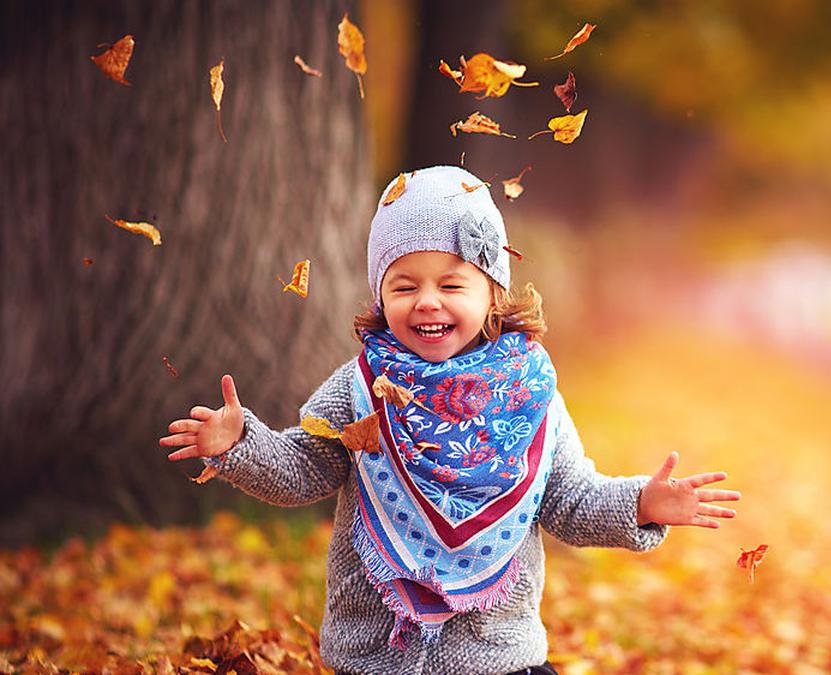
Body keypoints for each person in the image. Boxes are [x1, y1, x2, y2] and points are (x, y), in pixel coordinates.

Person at [161, 165, 740, 675]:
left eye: (452, 284)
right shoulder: (361, 388)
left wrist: (640, 504)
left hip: (497, 656)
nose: (428, 301)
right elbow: (305, 470)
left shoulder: (529, 396)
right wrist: (240, 444)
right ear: (380, 296)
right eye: (404, 285)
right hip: (377, 657)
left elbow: (567, 500)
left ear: (492, 293)